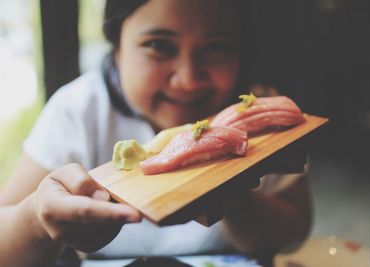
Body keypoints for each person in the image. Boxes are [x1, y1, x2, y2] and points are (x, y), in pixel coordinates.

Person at [0, 0, 311, 266]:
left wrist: (237, 201)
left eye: (216, 48)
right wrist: (36, 221)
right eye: (159, 45)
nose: (188, 80)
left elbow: (295, 230)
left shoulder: (258, 114)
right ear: (117, 47)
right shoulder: (79, 111)